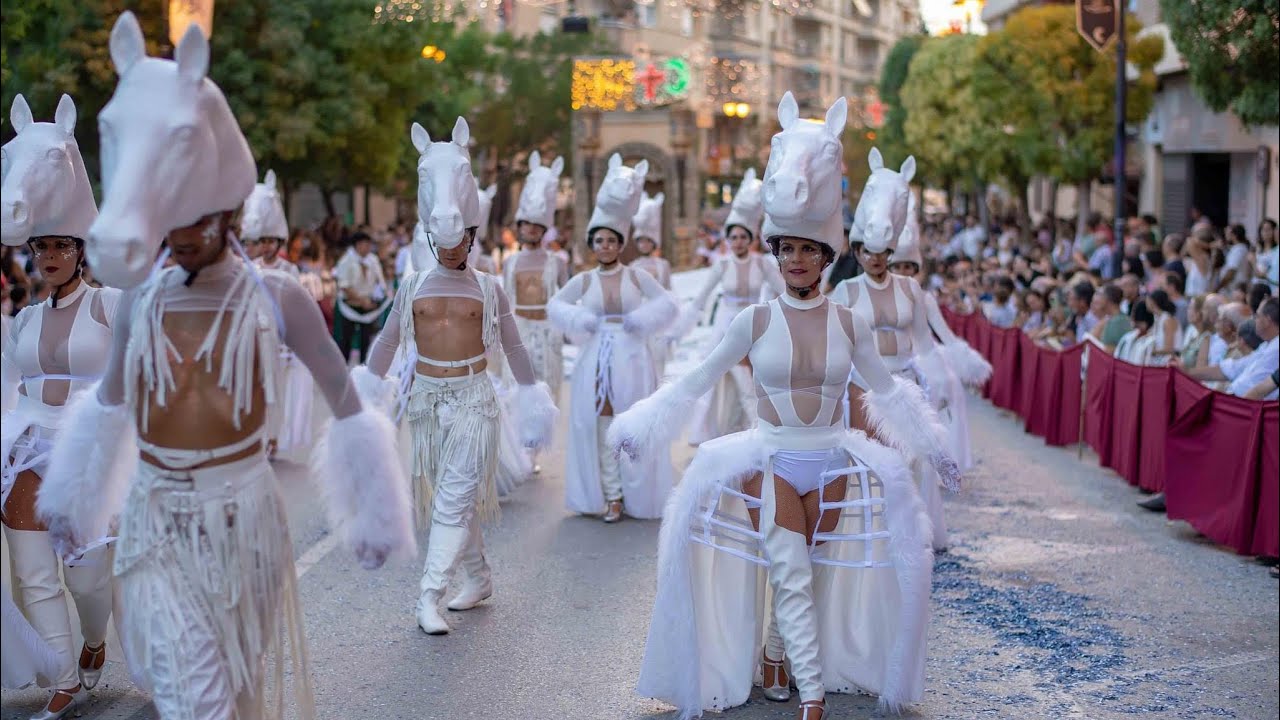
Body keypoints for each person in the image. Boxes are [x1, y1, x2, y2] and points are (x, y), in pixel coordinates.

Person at [34, 19, 416, 718]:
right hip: (153, 524)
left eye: (192, 229)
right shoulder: (138, 303)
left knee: (236, 689)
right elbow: (110, 403)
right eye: (166, 234)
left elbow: (346, 401)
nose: (176, 245)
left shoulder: (281, 298)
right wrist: (72, 502)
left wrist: (372, 514)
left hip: (243, 522)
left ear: (227, 212)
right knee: (191, 692)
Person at [610, 95, 958, 720]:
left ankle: (776, 654)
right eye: (786, 249)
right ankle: (814, 694)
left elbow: (885, 393)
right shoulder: (754, 319)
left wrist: (936, 448)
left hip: (833, 462)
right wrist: (642, 424)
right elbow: (695, 378)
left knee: (808, 570)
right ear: (776, 254)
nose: (796, 259)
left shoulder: (850, 322)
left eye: (808, 249)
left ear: (827, 256)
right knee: (792, 574)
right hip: (769, 457)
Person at [363, 120, 557, 635]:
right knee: (457, 493)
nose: (453, 250)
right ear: (431, 235)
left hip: (475, 399)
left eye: (464, 241)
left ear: (473, 237)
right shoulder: (411, 287)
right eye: (444, 242)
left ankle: (429, 595)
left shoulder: (490, 289)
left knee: (452, 495)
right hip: (427, 403)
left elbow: (514, 347)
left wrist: (534, 400)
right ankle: (478, 576)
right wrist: (363, 396)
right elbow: (387, 343)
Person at [1, 93, 119, 720]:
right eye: (39, 246)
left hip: (91, 452)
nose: (48, 256)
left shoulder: (109, 306)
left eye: (61, 245)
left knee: (88, 579)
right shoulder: (19, 321)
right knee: (32, 570)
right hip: (28, 447)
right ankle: (63, 674)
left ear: (79, 251)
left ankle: (96, 639)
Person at [831, 149, 953, 550]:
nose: (875, 259)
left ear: (892, 252)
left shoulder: (910, 289)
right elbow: (835, 346)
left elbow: (926, 345)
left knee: (910, 462)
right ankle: (872, 535)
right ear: (859, 251)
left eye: (883, 252)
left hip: (904, 382)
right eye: (867, 251)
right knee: (869, 463)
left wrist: (941, 383)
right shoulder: (846, 291)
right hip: (862, 386)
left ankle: (908, 534)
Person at [548, 153, 677, 523]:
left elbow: (667, 304)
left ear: (621, 244)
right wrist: (580, 319)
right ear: (592, 244)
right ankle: (613, 495)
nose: (605, 246)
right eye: (599, 240)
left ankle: (638, 494)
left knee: (631, 425)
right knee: (601, 425)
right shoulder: (584, 280)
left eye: (611, 240)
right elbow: (556, 304)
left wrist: (640, 320)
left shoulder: (637, 277)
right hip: (597, 362)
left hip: (633, 359)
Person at [685, 168, 785, 444]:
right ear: (727, 239)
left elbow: (784, 289)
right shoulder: (722, 264)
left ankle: (755, 434)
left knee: (751, 385)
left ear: (752, 237)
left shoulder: (762, 263)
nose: (738, 242)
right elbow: (701, 298)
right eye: (733, 237)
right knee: (711, 379)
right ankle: (709, 435)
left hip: (754, 325)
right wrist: (678, 328)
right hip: (724, 327)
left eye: (743, 236)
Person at [240, 170, 311, 459]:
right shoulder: (249, 268)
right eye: (264, 240)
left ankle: (272, 437)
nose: (268, 246)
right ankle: (256, 436)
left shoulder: (289, 271)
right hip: (253, 337)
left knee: (277, 391)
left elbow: (295, 307)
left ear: (280, 243)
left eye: (273, 241)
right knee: (254, 388)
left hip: (280, 341)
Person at [502, 150, 570, 404]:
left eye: (536, 225)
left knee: (546, 397)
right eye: (526, 224)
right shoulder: (510, 263)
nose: (531, 229)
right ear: (519, 227)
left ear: (544, 228)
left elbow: (566, 301)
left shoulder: (558, 263)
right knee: (516, 397)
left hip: (547, 336)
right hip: (518, 335)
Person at [1177, 297, 1279, 399]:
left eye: (1257, 315)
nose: (1254, 319)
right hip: (1233, 401)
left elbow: (1256, 389)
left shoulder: (1276, 348)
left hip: (1241, 407)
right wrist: (1187, 371)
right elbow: (1233, 368)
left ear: (1267, 321)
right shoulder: (1266, 345)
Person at [629, 191, 676, 380]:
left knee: (658, 363)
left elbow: (669, 292)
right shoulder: (633, 267)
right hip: (641, 318)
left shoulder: (663, 265)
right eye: (640, 241)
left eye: (647, 241)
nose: (644, 244)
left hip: (659, 320)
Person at [332, 231, 390, 364]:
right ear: (357, 245)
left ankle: (364, 366)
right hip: (350, 305)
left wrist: (382, 295)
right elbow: (344, 285)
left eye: (369, 244)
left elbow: (380, 281)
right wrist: (360, 300)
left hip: (368, 304)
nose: (368, 247)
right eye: (365, 244)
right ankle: (343, 367)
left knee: (366, 338)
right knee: (345, 338)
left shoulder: (373, 260)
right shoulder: (346, 260)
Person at [1087, 284, 1132, 353]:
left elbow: (1108, 352)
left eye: (1099, 295)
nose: (1096, 298)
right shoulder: (1113, 319)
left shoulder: (1116, 322)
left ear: (1107, 299)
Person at [1147, 289, 1182, 364]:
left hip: (1168, 363)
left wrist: (1149, 351)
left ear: (1153, 302)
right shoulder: (1157, 318)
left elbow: (1169, 349)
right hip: (1158, 361)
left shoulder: (1167, 320)